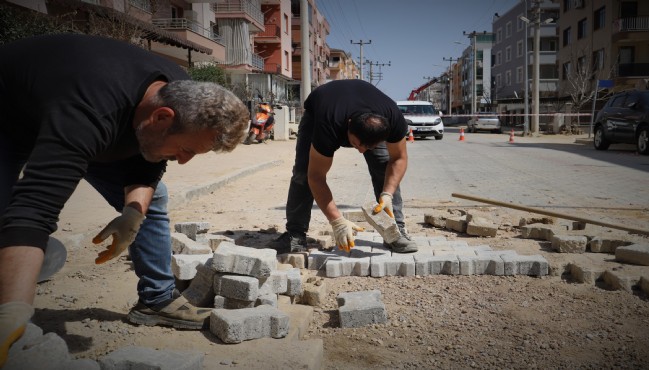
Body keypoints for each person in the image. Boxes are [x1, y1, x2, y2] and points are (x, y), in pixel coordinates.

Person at [0, 34, 249, 366]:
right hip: (10, 112)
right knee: (11, 216)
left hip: (99, 117)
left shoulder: (181, 96)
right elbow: (35, 209)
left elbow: (151, 161)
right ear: (161, 117)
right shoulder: (89, 111)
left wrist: (132, 216)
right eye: (186, 150)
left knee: (152, 196)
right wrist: (13, 315)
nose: (183, 161)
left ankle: (156, 300)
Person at [269, 79, 418, 254]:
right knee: (303, 173)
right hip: (319, 110)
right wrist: (337, 221)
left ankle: (396, 232)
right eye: (356, 144)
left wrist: (388, 194)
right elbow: (316, 176)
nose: (362, 152)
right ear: (348, 126)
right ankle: (295, 234)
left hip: (365, 114)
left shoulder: (393, 119)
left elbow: (399, 158)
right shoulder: (329, 122)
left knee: (383, 167)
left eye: (368, 147)